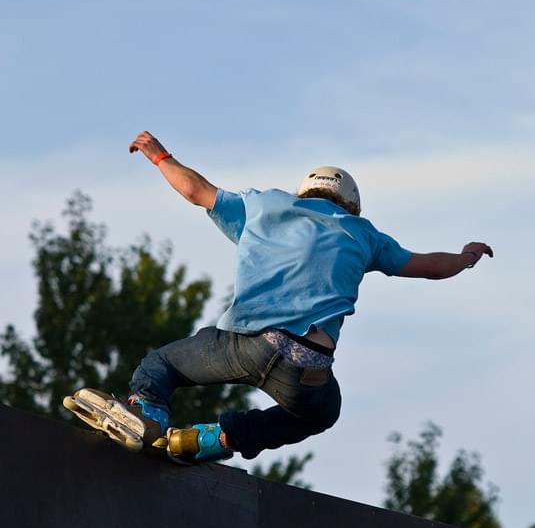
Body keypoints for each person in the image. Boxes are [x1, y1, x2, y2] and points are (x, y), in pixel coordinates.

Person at [64, 131, 493, 464]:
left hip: (243, 345)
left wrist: (160, 155)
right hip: (306, 369)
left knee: (161, 365)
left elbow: (196, 191)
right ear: (350, 205)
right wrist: (466, 257)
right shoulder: (363, 235)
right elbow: (432, 267)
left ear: (303, 192)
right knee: (321, 413)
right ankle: (211, 440)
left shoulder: (264, 206)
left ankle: (147, 417)